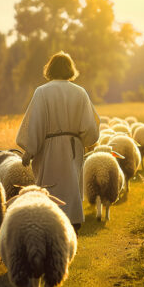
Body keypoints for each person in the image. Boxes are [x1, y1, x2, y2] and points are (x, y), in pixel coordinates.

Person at [16, 51, 100, 234]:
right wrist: (86, 141)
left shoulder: (42, 92)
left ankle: (48, 227)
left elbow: (35, 125)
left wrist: (29, 152)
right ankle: (72, 233)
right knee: (71, 190)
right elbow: (89, 125)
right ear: (70, 69)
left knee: (50, 190)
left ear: (50, 69)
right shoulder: (80, 92)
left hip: (48, 150)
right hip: (73, 149)